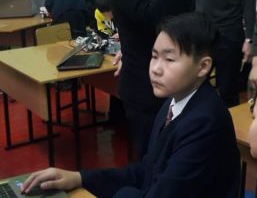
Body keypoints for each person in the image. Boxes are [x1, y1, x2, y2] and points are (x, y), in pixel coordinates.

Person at [21, 12, 241, 198]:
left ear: (203, 67)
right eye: (154, 56)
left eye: (169, 59)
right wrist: (79, 178)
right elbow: (146, 172)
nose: (156, 68)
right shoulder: (173, 103)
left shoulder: (205, 122)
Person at [107, 0, 197, 159]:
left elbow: (188, 11)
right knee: (153, 158)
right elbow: (152, 17)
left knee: (179, 154)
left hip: (181, 76)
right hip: (147, 85)